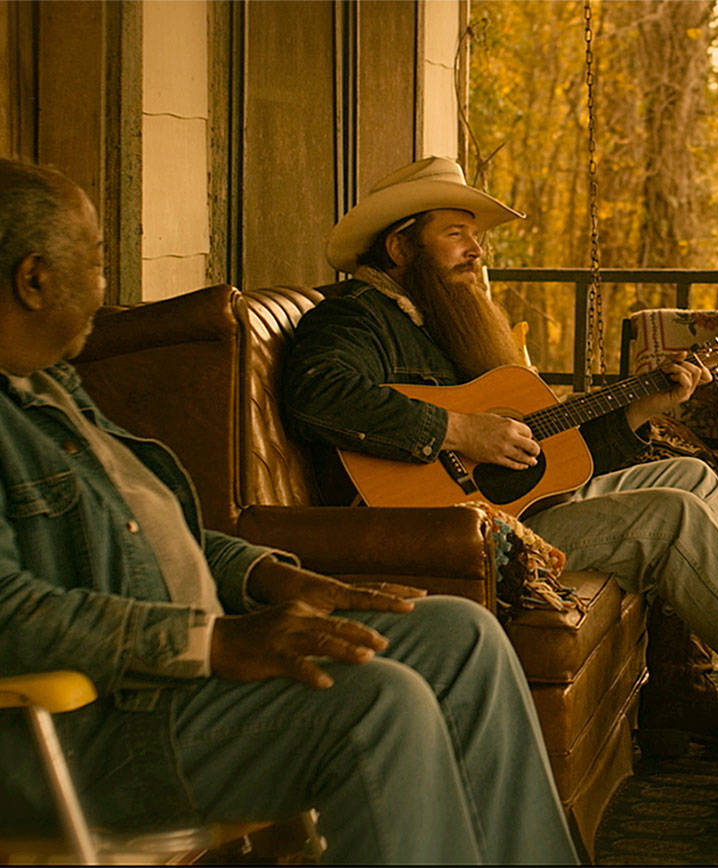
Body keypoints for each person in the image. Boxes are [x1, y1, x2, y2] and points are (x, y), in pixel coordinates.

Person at [0, 159, 578, 864]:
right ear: (35, 279)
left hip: (173, 674)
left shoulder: (53, 387)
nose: (105, 285)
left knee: (461, 634)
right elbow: (11, 616)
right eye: (95, 261)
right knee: (375, 704)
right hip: (86, 728)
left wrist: (272, 577)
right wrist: (213, 643)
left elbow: (152, 532)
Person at [280, 156, 718, 784]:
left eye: (477, 236)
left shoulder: (438, 318)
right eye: (456, 234)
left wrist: (644, 406)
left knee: (692, 477)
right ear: (399, 245)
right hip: (453, 536)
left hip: (514, 512)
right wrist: (461, 429)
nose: (476, 250)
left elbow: (544, 455)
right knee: (671, 516)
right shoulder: (357, 315)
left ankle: (680, 686)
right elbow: (318, 391)